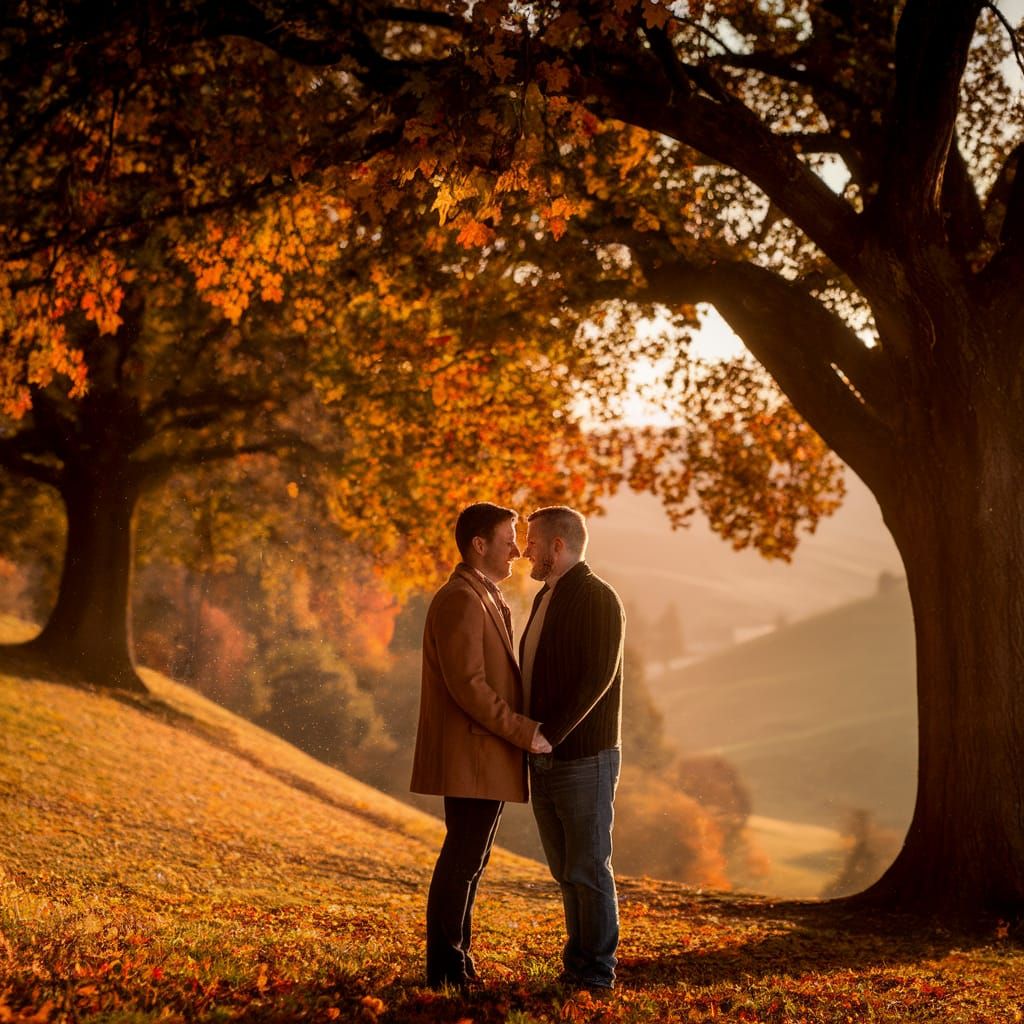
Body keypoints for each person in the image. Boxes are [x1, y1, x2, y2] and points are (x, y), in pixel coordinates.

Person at [410, 502, 552, 990]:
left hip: (483, 754)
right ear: (479, 545)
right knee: (462, 859)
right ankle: (445, 968)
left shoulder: (482, 595)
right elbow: (467, 686)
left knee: (470, 860)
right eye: (509, 538)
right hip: (473, 752)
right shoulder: (461, 600)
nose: (517, 549)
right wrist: (523, 731)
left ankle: (458, 962)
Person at [520, 505, 625, 992]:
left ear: (558, 546)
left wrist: (552, 734)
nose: (525, 552)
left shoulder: (598, 597)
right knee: (567, 870)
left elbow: (596, 678)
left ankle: (596, 973)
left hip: (584, 756)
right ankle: (577, 965)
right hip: (546, 756)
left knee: (588, 867)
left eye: (533, 543)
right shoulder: (548, 596)